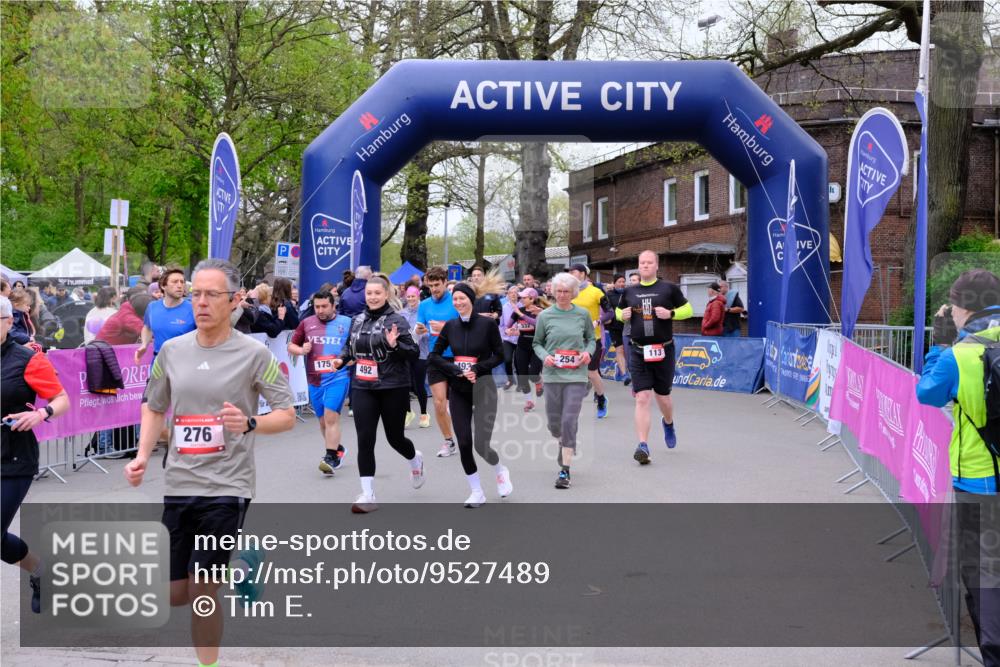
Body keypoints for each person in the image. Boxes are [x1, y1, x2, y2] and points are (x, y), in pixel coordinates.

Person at [124, 259, 296, 667]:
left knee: (203, 591)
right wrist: (142, 455)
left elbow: (287, 414)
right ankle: (243, 558)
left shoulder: (254, 354)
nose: (199, 302)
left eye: (210, 295)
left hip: (228, 486)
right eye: (194, 293)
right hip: (179, 480)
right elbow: (154, 406)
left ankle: (208, 664)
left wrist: (250, 422)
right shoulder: (172, 351)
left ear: (235, 299)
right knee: (173, 593)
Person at [916, 269, 1000, 667]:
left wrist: (941, 340)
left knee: (984, 577)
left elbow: (927, 392)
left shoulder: (959, 354)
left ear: (963, 307)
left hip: (980, 482)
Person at [332, 275, 425, 513]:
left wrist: (395, 345)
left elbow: (413, 352)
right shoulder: (357, 320)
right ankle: (368, 494)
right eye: (369, 293)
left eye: (377, 293)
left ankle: (415, 458)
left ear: (386, 295)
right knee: (365, 439)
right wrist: (341, 360)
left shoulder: (397, 321)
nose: (372, 297)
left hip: (393, 386)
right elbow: (349, 346)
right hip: (363, 386)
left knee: (395, 439)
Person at [1, 295, 70, 614]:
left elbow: (61, 399)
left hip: (14, 459)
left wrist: (41, 415)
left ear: (6, 322)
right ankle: (43, 572)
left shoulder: (27, 359)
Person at [428, 282, 512, 506]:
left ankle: (499, 469)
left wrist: (476, 369)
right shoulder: (450, 326)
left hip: (484, 388)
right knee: (464, 442)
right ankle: (476, 491)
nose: (458, 302)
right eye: (454, 299)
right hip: (459, 390)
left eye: (462, 298)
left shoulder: (487, 325)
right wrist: (455, 370)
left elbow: (499, 356)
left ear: (471, 300)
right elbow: (434, 356)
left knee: (481, 445)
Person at [618, 250, 693, 464]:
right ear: (638, 265)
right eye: (642, 263)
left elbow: (688, 309)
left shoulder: (669, 288)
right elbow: (617, 312)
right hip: (638, 350)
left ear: (656, 266)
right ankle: (643, 445)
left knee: (663, 398)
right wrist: (621, 315)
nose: (645, 266)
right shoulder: (630, 291)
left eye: (649, 263)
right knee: (642, 397)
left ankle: (668, 422)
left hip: (664, 350)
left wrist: (671, 314)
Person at [532, 273, 595, 489]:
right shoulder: (545, 316)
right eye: (558, 291)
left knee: (569, 420)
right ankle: (562, 439)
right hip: (552, 375)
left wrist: (588, 353)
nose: (562, 295)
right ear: (553, 292)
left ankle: (564, 470)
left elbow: (591, 340)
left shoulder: (582, 314)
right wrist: (545, 356)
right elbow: (537, 343)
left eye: (566, 291)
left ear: (573, 293)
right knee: (554, 423)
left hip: (577, 374)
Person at [288, 289, 352, 475]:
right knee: (323, 422)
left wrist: (345, 361)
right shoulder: (306, 323)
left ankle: (330, 457)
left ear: (333, 305)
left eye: (324, 306)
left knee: (331, 418)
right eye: (317, 307)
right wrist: (301, 350)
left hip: (338, 377)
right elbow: (291, 345)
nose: (320, 310)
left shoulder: (347, 323)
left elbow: (354, 348)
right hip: (314, 379)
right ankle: (337, 448)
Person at [417, 266, 459, 457]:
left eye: (437, 285)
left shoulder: (456, 301)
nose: (434, 289)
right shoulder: (424, 305)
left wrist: (445, 327)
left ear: (445, 282)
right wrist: (419, 331)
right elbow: (419, 330)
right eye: (430, 285)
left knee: (460, 404)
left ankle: (466, 434)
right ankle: (448, 441)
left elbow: (466, 328)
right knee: (440, 403)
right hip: (436, 356)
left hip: (458, 356)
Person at [568, 263, 612, 419]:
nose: (571, 275)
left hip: (594, 339)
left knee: (591, 373)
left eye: (573, 272)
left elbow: (610, 313)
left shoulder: (596, 292)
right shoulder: (568, 292)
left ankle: (601, 399)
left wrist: (598, 321)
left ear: (582, 274)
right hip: (574, 339)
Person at [135, 264, 195, 363]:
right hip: (158, 364)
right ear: (163, 285)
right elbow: (147, 327)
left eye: (182, 282)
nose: (180, 285)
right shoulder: (152, 307)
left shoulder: (193, 308)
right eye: (175, 282)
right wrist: (144, 345)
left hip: (184, 365)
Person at [508, 287, 545, 411]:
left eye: (524, 297)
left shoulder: (540, 311)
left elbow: (536, 324)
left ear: (532, 298)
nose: (521, 299)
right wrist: (510, 330)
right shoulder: (519, 311)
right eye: (521, 297)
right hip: (522, 345)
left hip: (537, 345)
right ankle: (529, 401)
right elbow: (508, 325)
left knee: (533, 374)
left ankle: (538, 381)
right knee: (522, 375)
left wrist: (521, 314)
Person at [400, 286, 431, 428]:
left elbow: (431, 332)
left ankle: (424, 414)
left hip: (421, 353)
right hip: (405, 353)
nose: (411, 299)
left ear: (418, 296)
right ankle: (407, 412)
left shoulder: (424, 312)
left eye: (413, 296)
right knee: (404, 384)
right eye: (409, 296)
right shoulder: (402, 313)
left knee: (419, 386)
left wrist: (421, 333)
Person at [606, 274, 630, 383]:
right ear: (614, 283)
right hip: (615, 327)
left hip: (628, 326)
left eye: (623, 281)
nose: (622, 284)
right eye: (619, 281)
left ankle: (632, 373)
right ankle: (624, 374)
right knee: (619, 350)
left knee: (628, 351)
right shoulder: (608, 294)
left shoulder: (629, 293)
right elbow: (606, 310)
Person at [499, 284, 521, 390]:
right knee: (507, 360)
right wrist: (505, 333)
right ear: (507, 294)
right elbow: (501, 324)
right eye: (511, 293)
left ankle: (521, 383)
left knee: (518, 362)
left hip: (520, 338)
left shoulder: (522, 306)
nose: (513, 294)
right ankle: (510, 380)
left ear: (519, 294)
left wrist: (519, 331)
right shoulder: (504, 307)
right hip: (508, 339)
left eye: (515, 292)